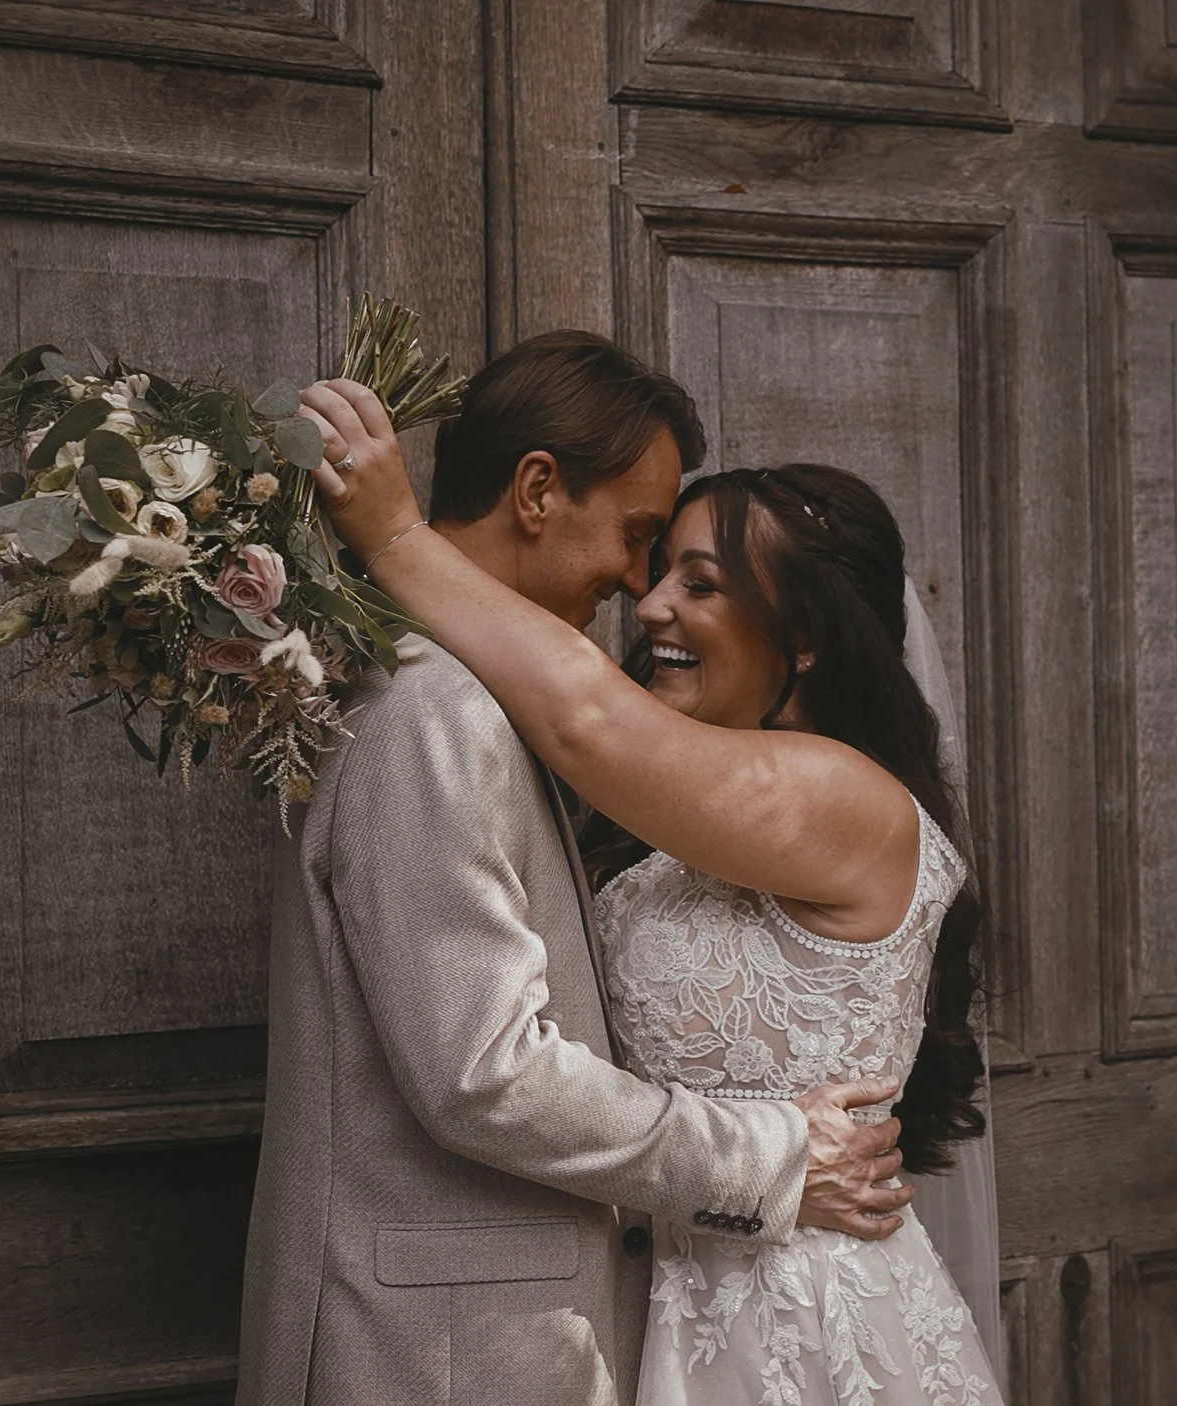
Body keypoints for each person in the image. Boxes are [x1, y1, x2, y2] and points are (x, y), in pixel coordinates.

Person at [296, 371, 1004, 1405]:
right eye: (658, 560)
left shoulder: (849, 798)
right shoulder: (652, 819)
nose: (650, 598)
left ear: (803, 634)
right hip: (654, 1295)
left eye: (702, 582)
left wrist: (397, 536)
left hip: (799, 1317)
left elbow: (586, 714)